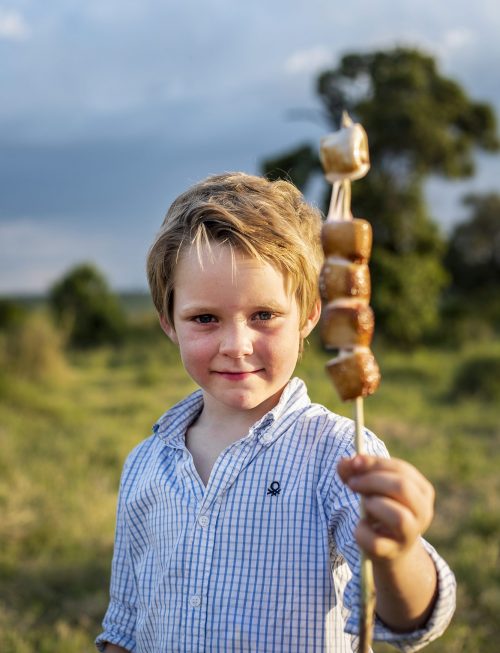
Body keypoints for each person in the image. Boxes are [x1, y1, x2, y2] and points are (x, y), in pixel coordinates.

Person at [96, 173, 456, 652]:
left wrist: (398, 553)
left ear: (310, 314)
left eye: (264, 315)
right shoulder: (145, 463)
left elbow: (410, 620)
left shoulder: (341, 456)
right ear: (168, 322)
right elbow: (124, 625)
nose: (237, 346)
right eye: (205, 319)